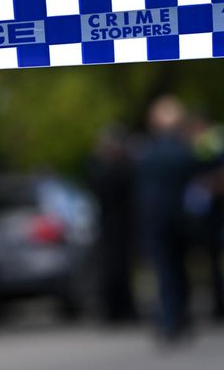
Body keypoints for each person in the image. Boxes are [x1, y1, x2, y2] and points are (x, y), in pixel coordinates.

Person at [134, 96, 198, 342]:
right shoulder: (185, 150)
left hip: (155, 220)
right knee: (180, 269)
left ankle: (169, 318)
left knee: (164, 271)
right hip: (181, 218)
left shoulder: (146, 152)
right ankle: (180, 317)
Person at [183, 113, 224, 324]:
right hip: (200, 212)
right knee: (201, 262)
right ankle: (214, 306)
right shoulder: (194, 143)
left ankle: (221, 306)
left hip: (214, 211)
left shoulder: (217, 141)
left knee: (215, 261)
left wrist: (208, 185)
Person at [87, 125, 138, 324]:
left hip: (115, 225)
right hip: (116, 226)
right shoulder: (118, 168)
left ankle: (117, 309)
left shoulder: (110, 169)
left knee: (117, 269)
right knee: (115, 269)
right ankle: (118, 308)